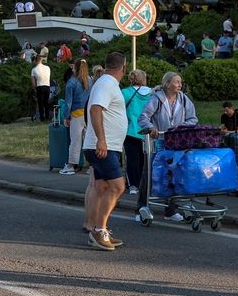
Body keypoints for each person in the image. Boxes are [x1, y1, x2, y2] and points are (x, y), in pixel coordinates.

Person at [137, 71, 198, 220]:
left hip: (176, 142)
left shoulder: (183, 99)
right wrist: (151, 128)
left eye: (180, 82)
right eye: (177, 82)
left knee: (175, 174)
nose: (180, 85)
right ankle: (141, 207)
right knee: (149, 174)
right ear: (167, 83)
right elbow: (143, 117)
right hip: (157, 142)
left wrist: (181, 127)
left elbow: (193, 118)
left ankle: (171, 210)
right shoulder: (156, 98)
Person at [82, 52, 128, 251]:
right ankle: (99, 231)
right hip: (102, 147)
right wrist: (101, 140)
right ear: (123, 68)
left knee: (101, 187)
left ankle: (98, 228)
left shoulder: (105, 82)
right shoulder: (107, 83)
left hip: (105, 146)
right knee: (118, 187)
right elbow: (95, 109)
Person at [120, 69, 152, 194]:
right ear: (144, 79)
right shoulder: (152, 93)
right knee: (146, 161)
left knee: (132, 160)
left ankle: (133, 185)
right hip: (148, 131)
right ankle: (146, 184)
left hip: (131, 130)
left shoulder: (125, 93)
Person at [60, 59, 91, 175]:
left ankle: (71, 165)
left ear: (75, 68)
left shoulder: (71, 82)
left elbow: (68, 102)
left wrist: (66, 116)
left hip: (76, 115)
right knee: (89, 140)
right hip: (88, 114)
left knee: (75, 141)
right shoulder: (90, 80)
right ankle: (91, 165)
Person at [30, 56, 51, 122]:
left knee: (40, 103)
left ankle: (42, 118)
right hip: (47, 86)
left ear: (36, 61)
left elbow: (33, 83)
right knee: (46, 103)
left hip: (40, 86)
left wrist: (35, 89)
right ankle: (47, 117)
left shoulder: (34, 69)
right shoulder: (47, 67)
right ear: (41, 60)